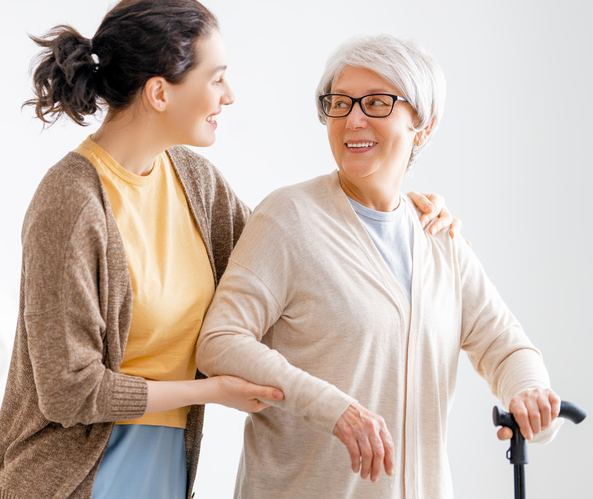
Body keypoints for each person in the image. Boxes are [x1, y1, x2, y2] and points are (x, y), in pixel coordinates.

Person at [0, 0, 458, 499]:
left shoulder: (195, 182)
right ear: (159, 93)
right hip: (71, 477)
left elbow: (300, 260)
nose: (228, 95)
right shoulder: (72, 200)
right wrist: (214, 391)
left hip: (162, 466)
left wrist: (391, 209)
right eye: (215, 78)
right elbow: (68, 391)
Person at [196, 33, 563, 499]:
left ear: (423, 126)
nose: (352, 119)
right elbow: (220, 342)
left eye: (376, 103)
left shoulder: (440, 239)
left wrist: (530, 396)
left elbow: (507, 348)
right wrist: (332, 407)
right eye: (340, 103)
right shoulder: (289, 219)